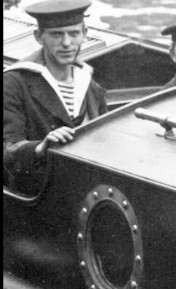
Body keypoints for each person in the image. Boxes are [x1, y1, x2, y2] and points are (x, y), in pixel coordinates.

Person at [3, 0, 107, 194]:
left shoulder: (92, 87)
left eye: (74, 33)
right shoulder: (12, 83)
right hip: (34, 199)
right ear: (38, 37)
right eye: (57, 34)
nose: (67, 43)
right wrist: (40, 148)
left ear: (84, 34)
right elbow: (7, 151)